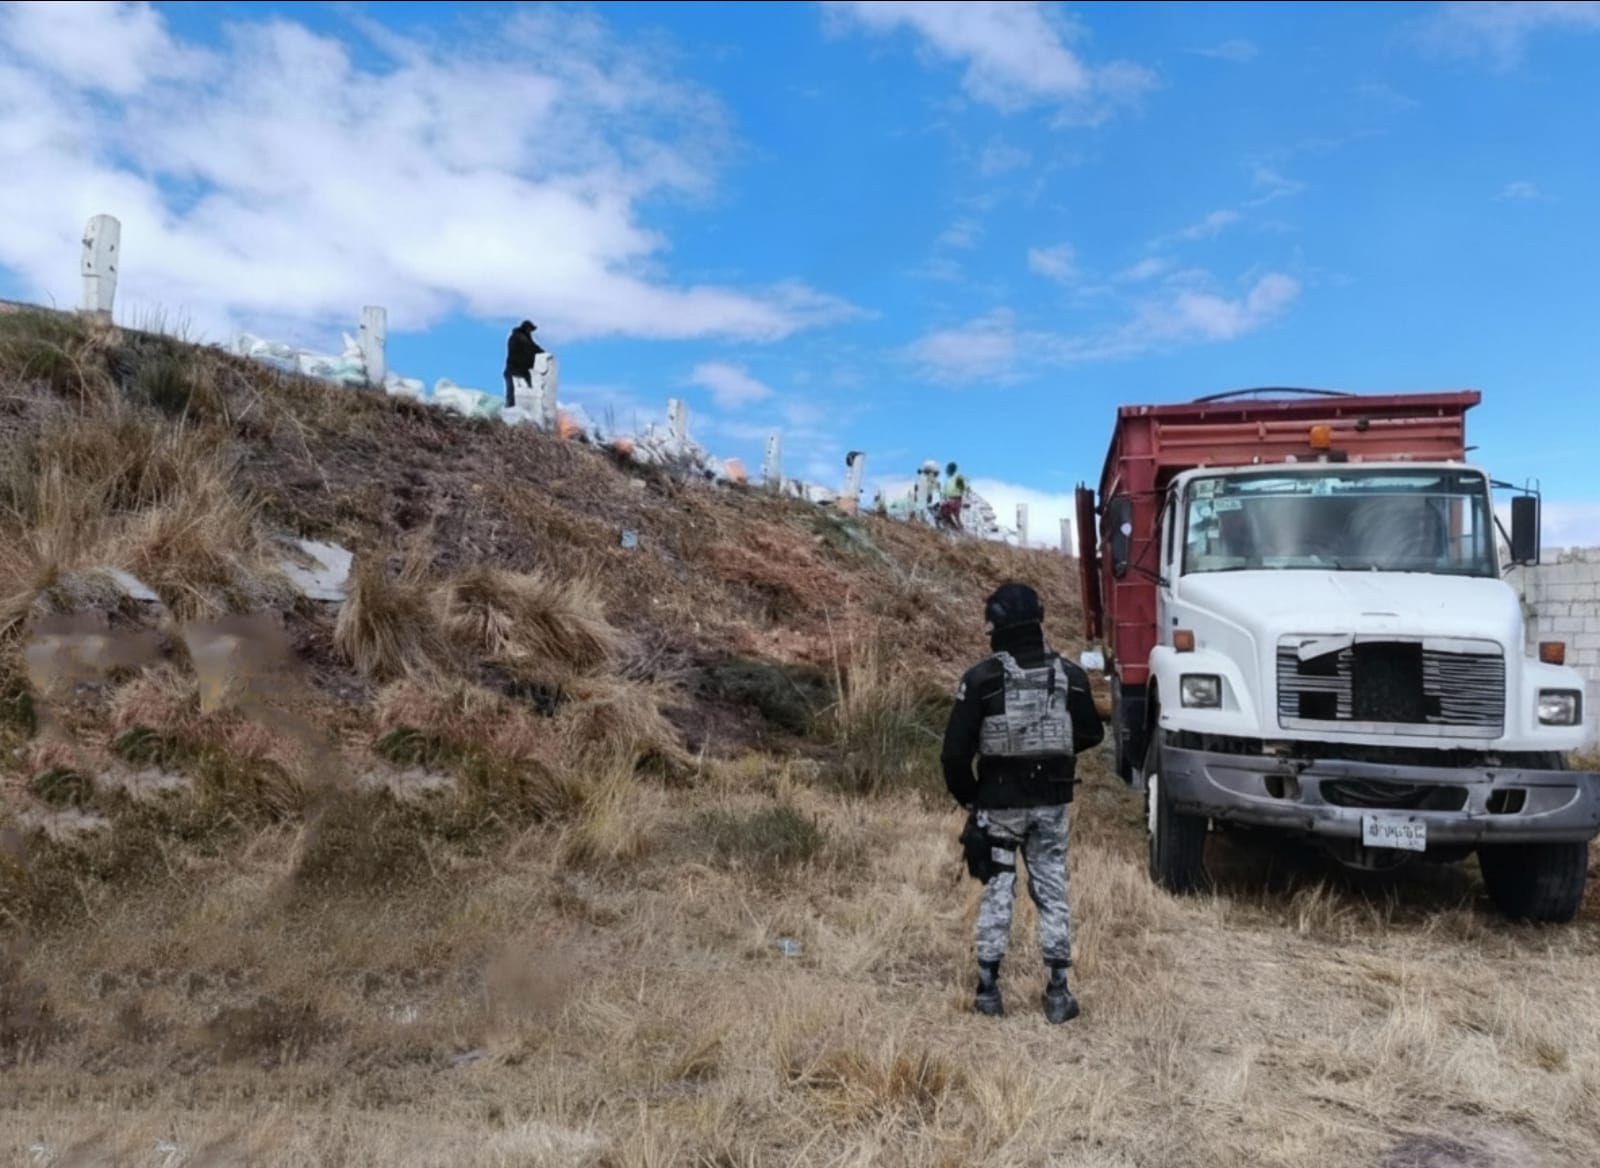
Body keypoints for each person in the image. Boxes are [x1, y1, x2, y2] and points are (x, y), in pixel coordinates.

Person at [941, 581, 1104, 1023]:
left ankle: (988, 990)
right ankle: (1058, 992)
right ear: (1039, 619)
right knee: (1052, 888)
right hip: (1052, 803)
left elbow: (954, 755)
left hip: (999, 806)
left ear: (997, 625)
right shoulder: (1070, 676)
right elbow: (1091, 733)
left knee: (998, 888)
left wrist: (973, 800)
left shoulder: (980, 680)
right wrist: (1052, 751)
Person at [503, 320, 545, 409]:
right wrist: (540, 352)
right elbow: (530, 347)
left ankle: (523, 408)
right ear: (526, 328)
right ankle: (511, 409)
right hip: (514, 368)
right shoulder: (518, 337)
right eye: (530, 329)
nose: (531, 332)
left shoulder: (525, 337)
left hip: (521, 369)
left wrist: (542, 352)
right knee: (513, 392)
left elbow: (533, 346)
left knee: (528, 389)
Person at [937, 462, 968, 531]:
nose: (946, 470)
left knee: (944, 510)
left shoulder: (958, 478)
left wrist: (965, 502)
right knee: (954, 516)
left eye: (948, 469)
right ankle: (958, 530)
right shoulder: (948, 480)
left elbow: (963, 489)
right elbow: (944, 492)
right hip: (951, 500)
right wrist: (939, 490)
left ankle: (951, 529)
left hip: (956, 500)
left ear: (952, 469)